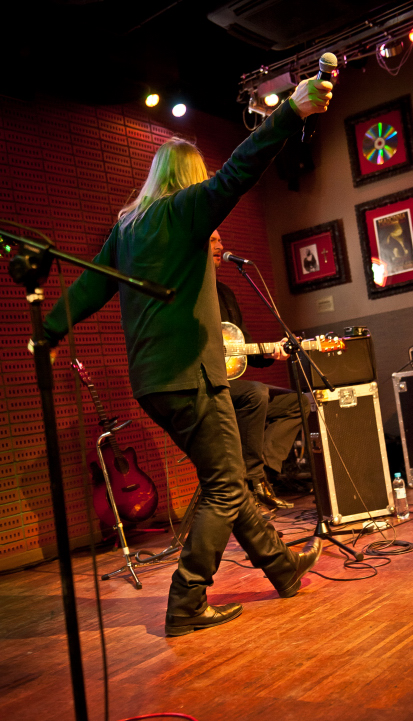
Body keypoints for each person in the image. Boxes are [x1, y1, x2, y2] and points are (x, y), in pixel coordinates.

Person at [42, 76, 333, 637]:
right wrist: (291, 113)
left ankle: (282, 568)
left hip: (152, 381)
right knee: (226, 484)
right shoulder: (185, 212)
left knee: (223, 476)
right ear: (190, 180)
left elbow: (90, 288)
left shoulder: (128, 227)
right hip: (192, 375)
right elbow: (241, 170)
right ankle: (186, 600)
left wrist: (51, 331)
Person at [210, 230, 310, 510]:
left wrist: (271, 352)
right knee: (255, 393)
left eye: (221, 239)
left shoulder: (225, 294)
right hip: (203, 386)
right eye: (213, 241)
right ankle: (252, 479)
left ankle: (261, 476)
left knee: (299, 402)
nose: (222, 245)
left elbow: (243, 347)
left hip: (229, 384)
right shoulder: (187, 294)